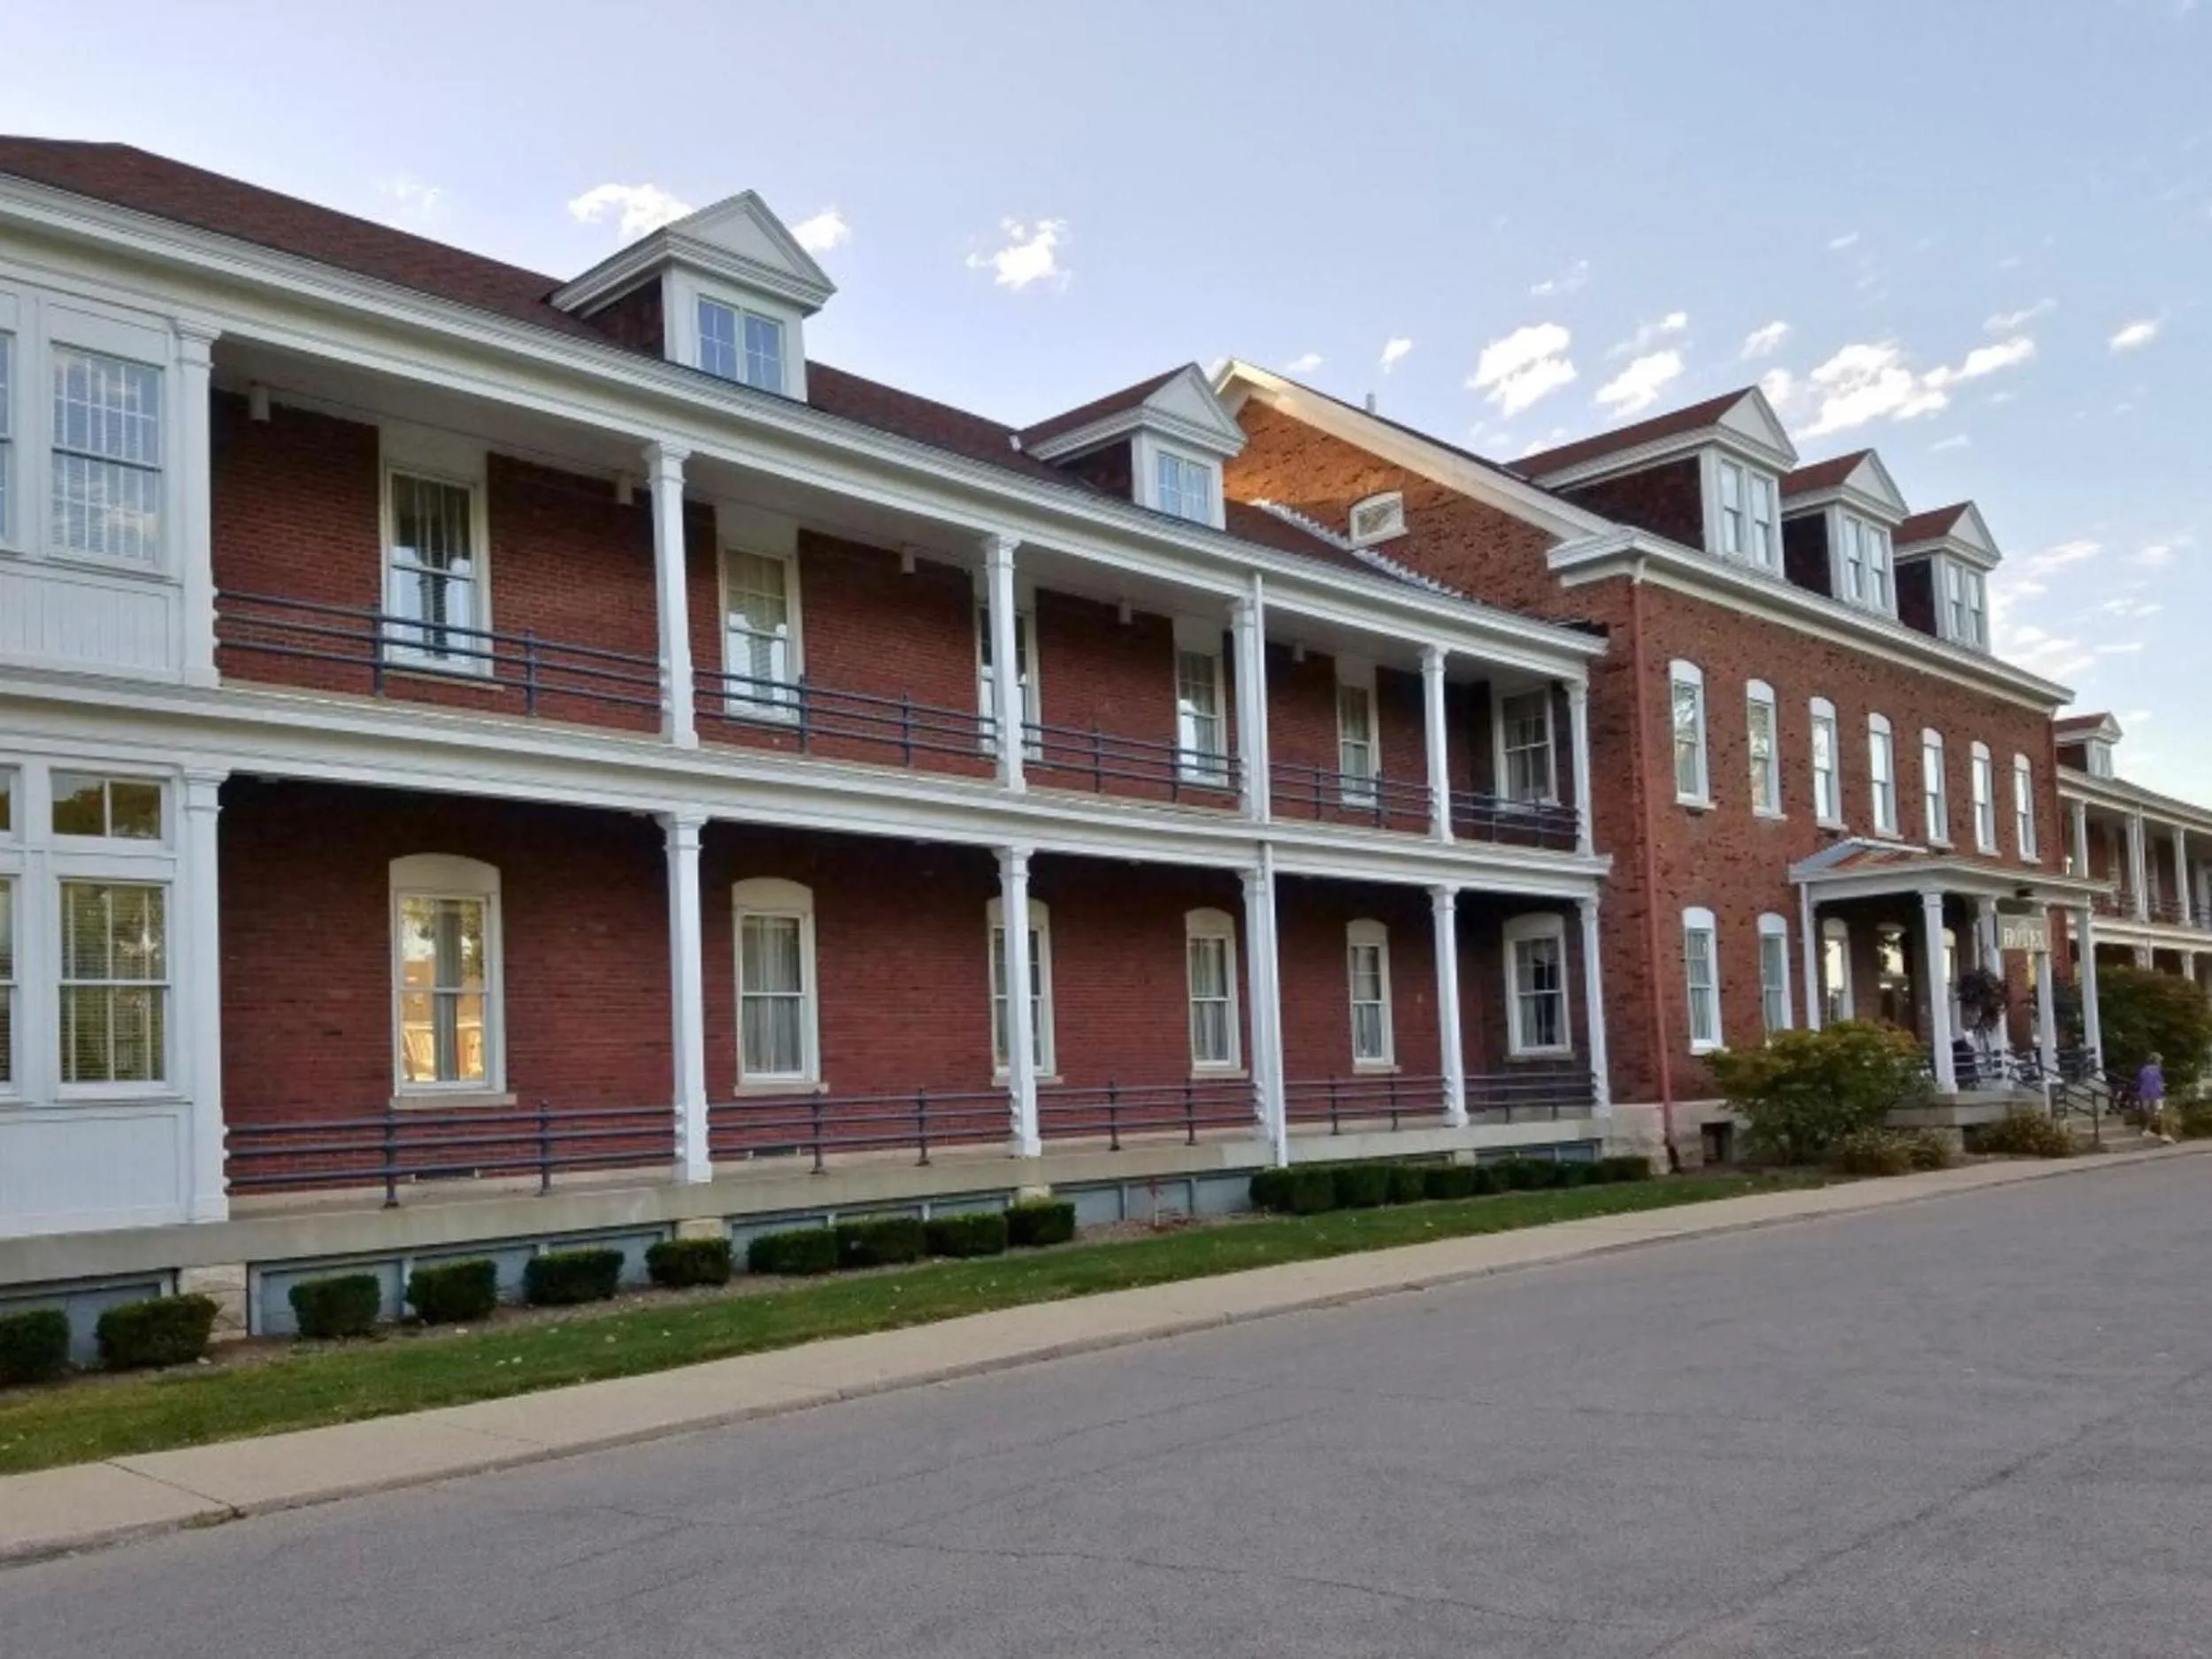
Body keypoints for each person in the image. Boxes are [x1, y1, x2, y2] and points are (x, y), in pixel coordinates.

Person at [2137, 1052, 2170, 1142]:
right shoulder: (2157, 1070)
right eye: (2160, 1061)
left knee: (2152, 1113)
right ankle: (2163, 1134)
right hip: (2155, 1094)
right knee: (2159, 1113)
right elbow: (2157, 1084)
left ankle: (2147, 1130)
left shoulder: (2143, 1070)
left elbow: (2141, 1082)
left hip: (2145, 1094)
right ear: (2157, 1061)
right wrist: (2162, 1089)